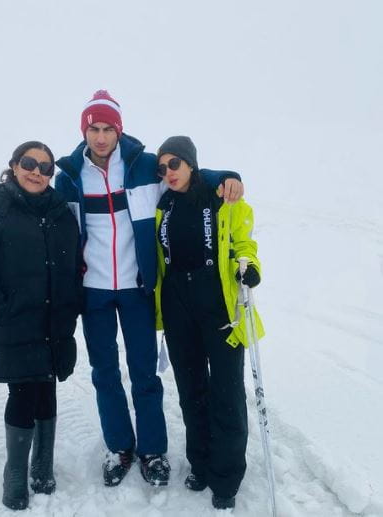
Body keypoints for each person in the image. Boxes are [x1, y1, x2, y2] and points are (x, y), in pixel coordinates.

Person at [55, 90, 244, 488]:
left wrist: (227, 178)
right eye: (94, 128)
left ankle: (153, 450)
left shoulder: (143, 167)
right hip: (94, 291)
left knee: (144, 372)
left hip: (138, 286)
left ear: (119, 130)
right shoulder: (69, 177)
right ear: (84, 130)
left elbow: (189, 179)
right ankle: (119, 447)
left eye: (108, 128)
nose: (101, 137)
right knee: (104, 372)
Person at [0, 141, 82, 510]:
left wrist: (72, 305)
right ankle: (16, 472)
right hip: (13, 323)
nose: (37, 172)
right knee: (22, 393)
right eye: (29, 163)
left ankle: (43, 464)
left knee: (47, 387)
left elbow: (72, 266)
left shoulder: (60, 213)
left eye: (45, 167)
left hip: (54, 322)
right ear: (13, 165)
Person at [154, 136, 264, 510]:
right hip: (176, 303)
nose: (168, 172)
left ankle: (227, 475)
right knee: (191, 389)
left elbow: (244, 245)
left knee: (227, 392)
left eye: (174, 164)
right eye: (162, 167)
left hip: (218, 305)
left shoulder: (223, 199)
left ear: (190, 164)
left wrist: (249, 269)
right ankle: (200, 462)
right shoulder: (162, 204)